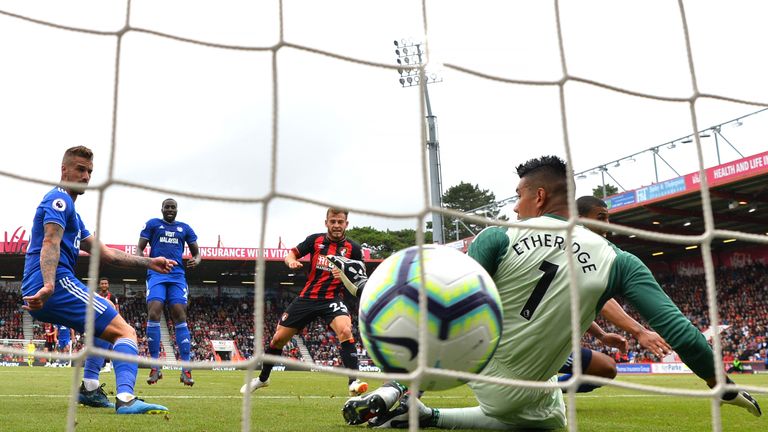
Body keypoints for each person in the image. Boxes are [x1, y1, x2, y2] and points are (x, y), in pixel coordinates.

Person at [345, 155, 761, 429]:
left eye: (519, 197)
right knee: (550, 416)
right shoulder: (620, 262)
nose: (514, 207)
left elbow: (447, 299)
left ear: (539, 196)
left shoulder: (499, 236)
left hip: (469, 371)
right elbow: (681, 332)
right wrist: (721, 385)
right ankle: (423, 410)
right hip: (527, 385)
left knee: (547, 413)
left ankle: (410, 399)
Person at [21, 146, 173, 414]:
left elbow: (106, 254)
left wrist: (150, 262)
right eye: (80, 169)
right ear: (64, 170)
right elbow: (50, 241)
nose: (86, 176)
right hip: (54, 283)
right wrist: (48, 284)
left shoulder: (74, 216)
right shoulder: (59, 200)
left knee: (106, 319)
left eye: (89, 171)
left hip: (49, 285)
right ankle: (126, 398)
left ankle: (90, 388)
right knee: (126, 332)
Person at [240, 208, 368, 396]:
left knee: (346, 330)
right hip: (308, 298)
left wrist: (343, 276)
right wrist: (291, 262)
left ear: (346, 224)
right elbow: (291, 254)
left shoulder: (354, 249)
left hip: (332, 299)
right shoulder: (315, 241)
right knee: (278, 339)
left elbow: (360, 277)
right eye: (333, 221)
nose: (336, 225)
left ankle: (353, 381)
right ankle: (263, 378)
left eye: (340, 222)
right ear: (326, 223)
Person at [556, 196, 673, 393]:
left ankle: (545, 392)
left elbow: (586, 300)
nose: (606, 226)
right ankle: (539, 392)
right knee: (604, 368)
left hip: (550, 335)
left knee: (606, 368)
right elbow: (600, 299)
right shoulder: (576, 249)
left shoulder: (567, 244)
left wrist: (601, 335)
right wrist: (640, 332)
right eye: (600, 218)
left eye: (607, 218)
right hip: (536, 340)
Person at [137, 198, 201, 387]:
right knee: (154, 311)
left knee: (180, 314)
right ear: (162, 209)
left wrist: (196, 260)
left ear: (177, 210)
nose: (170, 210)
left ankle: (186, 370)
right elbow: (139, 248)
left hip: (177, 276)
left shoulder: (185, 228)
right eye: (167, 207)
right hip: (156, 273)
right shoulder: (153, 224)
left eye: (173, 207)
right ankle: (155, 367)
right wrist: (143, 261)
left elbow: (197, 253)